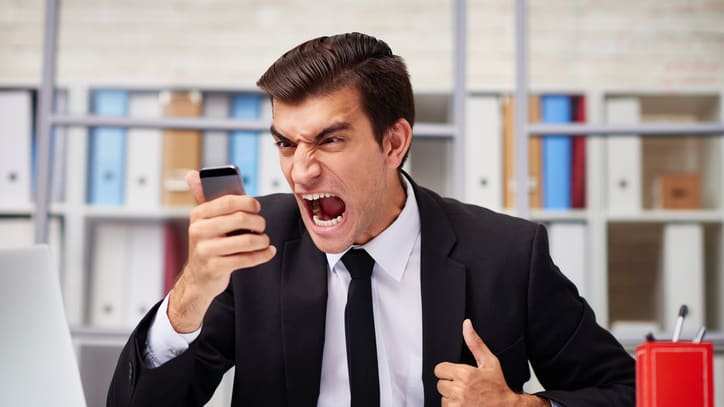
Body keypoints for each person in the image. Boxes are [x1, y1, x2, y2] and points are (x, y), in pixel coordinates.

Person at [108, 32, 634, 406]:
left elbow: (626, 391)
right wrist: (188, 297)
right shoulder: (253, 247)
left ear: (394, 142)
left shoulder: (507, 254)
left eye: (330, 140)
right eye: (286, 144)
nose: (302, 171)